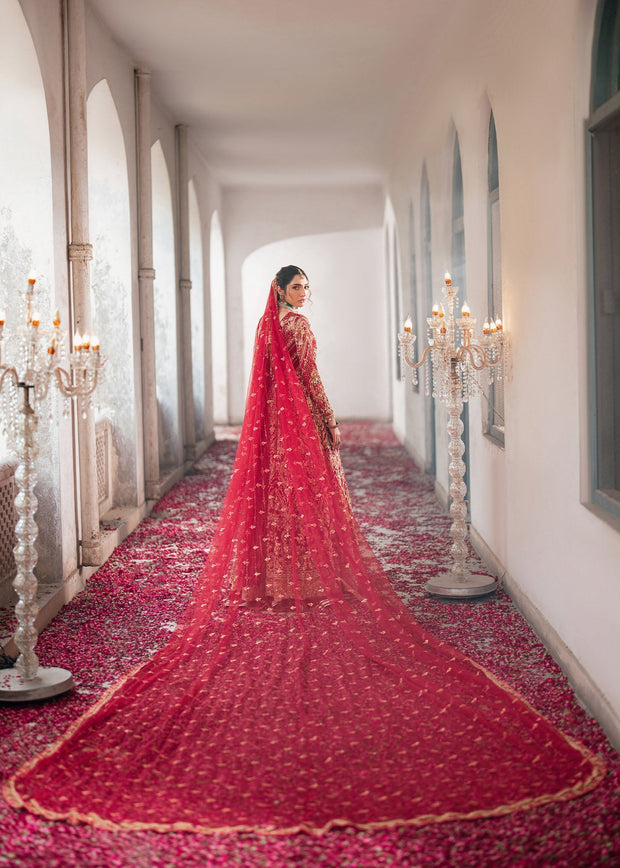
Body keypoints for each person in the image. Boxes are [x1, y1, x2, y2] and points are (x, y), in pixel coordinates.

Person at [3, 267, 604, 836]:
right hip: (300, 425)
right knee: (312, 499)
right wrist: (329, 420)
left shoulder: (268, 327)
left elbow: (268, 382)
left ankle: (275, 578)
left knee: (277, 500)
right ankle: (310, 575)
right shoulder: (299, 328)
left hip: (272, 429)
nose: (303, 292)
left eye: (306, 285)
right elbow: (311, 379)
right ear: (281, 290)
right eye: (296, 285)